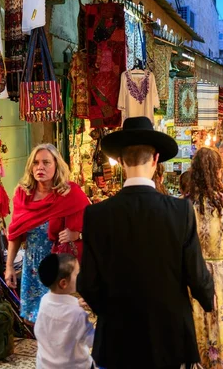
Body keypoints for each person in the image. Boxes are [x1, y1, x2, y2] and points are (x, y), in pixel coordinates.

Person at [77, 117, 215, 369]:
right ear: (155, 159)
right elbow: (196, 275)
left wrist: (110, 311)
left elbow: (87, 283)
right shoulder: (180, 211)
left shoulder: (96, 215)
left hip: (117, 338)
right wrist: (208, 300)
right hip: (169, 337)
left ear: (120, 161)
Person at [5, 144, 90, 323]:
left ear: (56, 165)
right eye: (35, 163)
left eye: (46, 162)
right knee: (35, 320)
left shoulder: (70, 194)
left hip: (58, 269)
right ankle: (43, 351)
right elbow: (15, 233)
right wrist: (9, 266)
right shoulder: (23, 195)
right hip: (32, 266)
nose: (40, 167)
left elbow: (93, 226)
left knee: (61, 321)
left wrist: (76, 235)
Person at [187, 147, 223, 369]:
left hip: (193, 273)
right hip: (221, 274)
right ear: (218, 172)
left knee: (198, 321)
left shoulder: (185, 205)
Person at [35, 253, 95, 369]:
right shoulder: (77, 314)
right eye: (78, 273)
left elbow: (59, 311)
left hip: (45, 365)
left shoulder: (44, 300)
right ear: (64, 283)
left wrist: (75, 304)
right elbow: (92, 341)